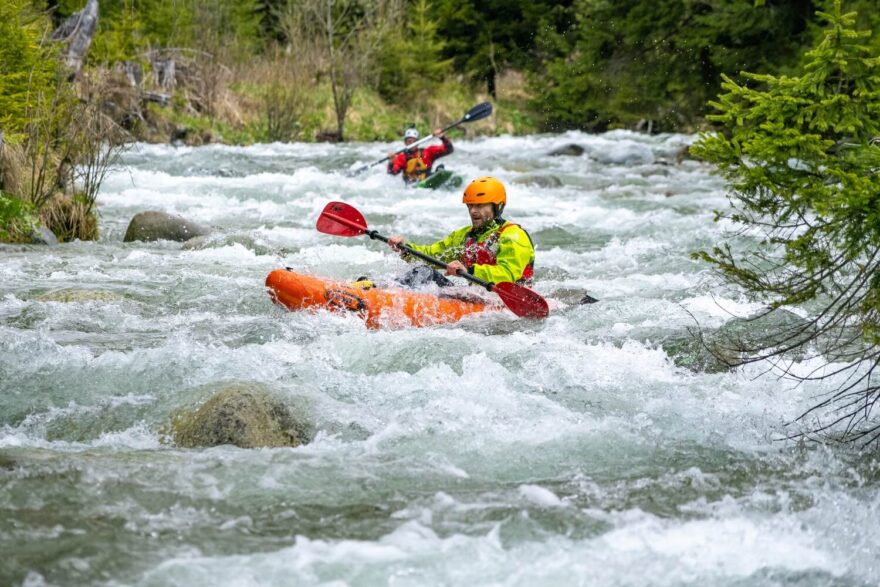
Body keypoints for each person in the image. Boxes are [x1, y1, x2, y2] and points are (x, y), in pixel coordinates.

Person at [387, 176, 535, 287]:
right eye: (470, 206)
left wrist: (469, 271)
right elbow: (432, 255)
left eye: (481, 206)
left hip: (505, 303)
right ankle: (382, 291)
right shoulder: (465, 235)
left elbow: (508, 274)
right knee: (422, 270)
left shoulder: (513, 235)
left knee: (426, 274)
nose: (474, 211)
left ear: (498, 207)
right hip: (477, 298)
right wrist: (405, 248)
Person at [387, 127, 453, 185]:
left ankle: (443, 181)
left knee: (440, 168)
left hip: (427, 180)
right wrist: (391, 163)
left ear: (418, 142)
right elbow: (392, 173)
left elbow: (449, 150)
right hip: (411, 185)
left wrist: (442, 137)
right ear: (405, 143)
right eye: (409, 141)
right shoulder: (401, 157)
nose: (412, 143)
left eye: (414, 141)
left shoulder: (428, 152)